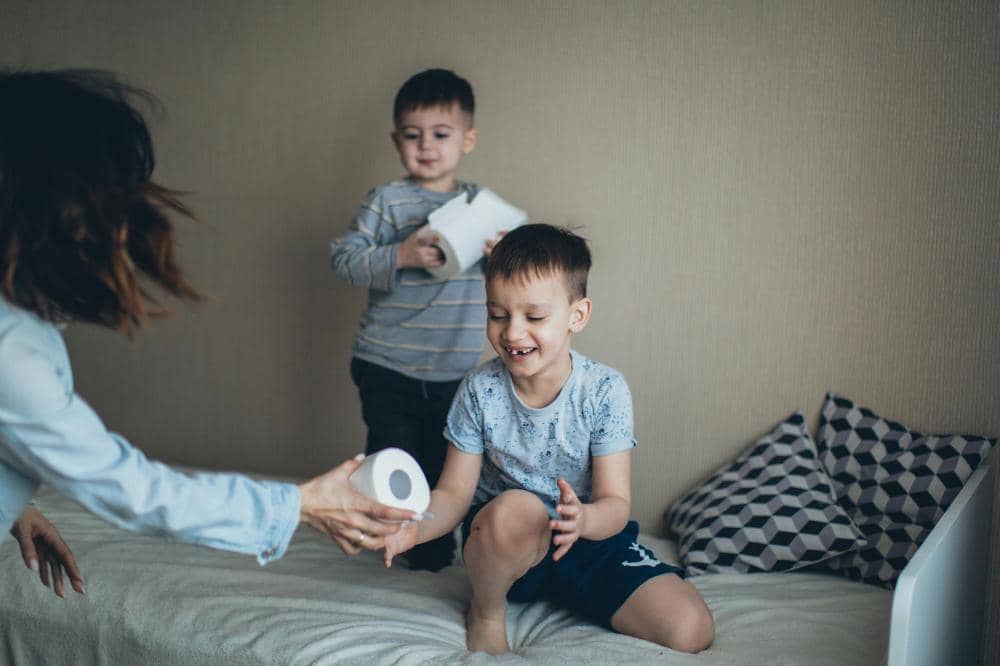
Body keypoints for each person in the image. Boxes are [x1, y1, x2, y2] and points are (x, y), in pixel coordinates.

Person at [0, 68, 414, 597]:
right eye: (113, 203)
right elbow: (136, 490)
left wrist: (16, 504)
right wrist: (299, 505)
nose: (125, 227)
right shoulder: (13, 354)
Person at [382, 224, 716, 654]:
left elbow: (615, 504)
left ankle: (578, 591)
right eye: (498, 315)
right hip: (509, 548)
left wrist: (586, 521)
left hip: (588, 539)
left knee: (690, 630)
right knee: (517, 510)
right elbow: (452, 493)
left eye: (534, 317)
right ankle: (487, 608)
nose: (512, 333)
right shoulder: (479, 389)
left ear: (577, 315)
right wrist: (414, 529)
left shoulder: (604, 391)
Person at [330, 68, 502, 571]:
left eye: (441, 134)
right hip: (387, 364)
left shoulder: (480, 208)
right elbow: (343, 259)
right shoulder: (388, 200)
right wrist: (400, 254)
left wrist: (500, 257)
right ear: (396, 139)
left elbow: (507, 286)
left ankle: (427, 553)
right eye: (413, 135)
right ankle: (375, 540)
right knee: (391, 459)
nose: (426, 146)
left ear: (467, 139)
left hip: (453, 371)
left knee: (441, 464)